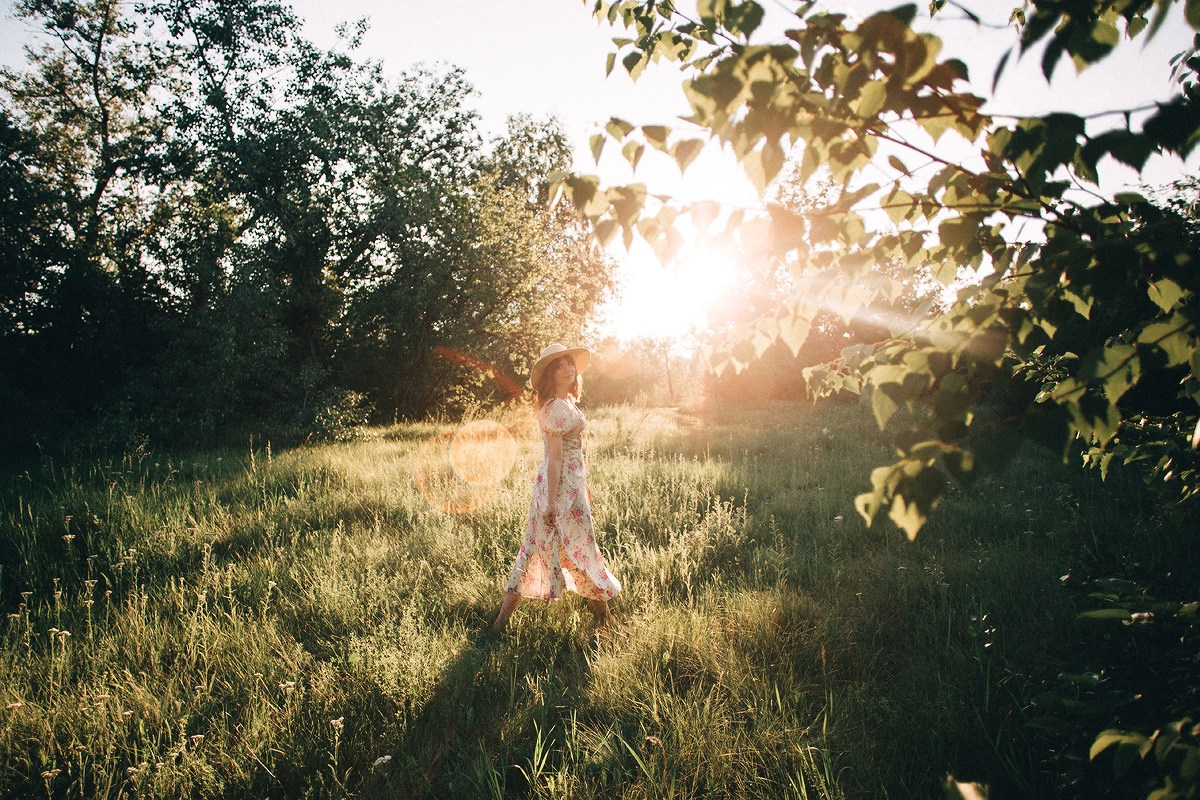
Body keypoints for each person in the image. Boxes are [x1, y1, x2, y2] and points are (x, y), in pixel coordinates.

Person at [492, 343, 621, 633]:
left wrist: (582, 487)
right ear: (551, 374)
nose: (567, 368)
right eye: (560, 365)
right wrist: (551, 503)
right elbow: (555, 459)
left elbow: (573, 455)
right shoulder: (556, 409)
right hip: (557, 491)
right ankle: (499, 624)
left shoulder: (567, 404)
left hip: (570, 489)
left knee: (579, 550)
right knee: (541, 550)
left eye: (569, 363)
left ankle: (604, 619)